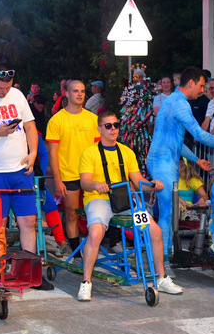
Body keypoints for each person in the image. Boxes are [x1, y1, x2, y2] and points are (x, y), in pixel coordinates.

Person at [0, 63, 54, 290]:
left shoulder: (17, 96)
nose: (5, 92)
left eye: (8, 87)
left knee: (29, 221)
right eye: (1, 88)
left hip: (20, 169)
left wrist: (33, 153)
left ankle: (30, 272)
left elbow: (30, 126)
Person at [77, 111, 181, 301]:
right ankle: (86, 282)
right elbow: (84, 182)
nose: (113, 129)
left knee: (155, 231)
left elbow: (138, 180)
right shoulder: (89, 152)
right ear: (99, 129)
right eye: (108, 126)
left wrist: (152, 184)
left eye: (116, 125)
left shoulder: (127, 152)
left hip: (125, 200)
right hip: (99, 199)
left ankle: (161, 278)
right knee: (96, 233)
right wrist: (96, 185)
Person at [146, 67, 214, 264]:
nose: (203, 90)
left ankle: (167, 254)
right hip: (162, 161)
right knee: (167, 212)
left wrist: (196, 160)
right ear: (191, 83)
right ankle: (162, 260)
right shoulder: (179, 103)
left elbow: (177, 142)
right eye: (202, 86)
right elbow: (198, 134)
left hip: (165, 160)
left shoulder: (173, 101)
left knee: (169, 211)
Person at [46, 79, 99, 255]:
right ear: (67, 94)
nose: (79, 94)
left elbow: (99, 150)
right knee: (71, 214)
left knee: (97, 213)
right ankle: (76, 253)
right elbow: (52, 153)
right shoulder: (57, 120)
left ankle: (96, 247)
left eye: (82, 91)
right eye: (75, 91)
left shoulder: (93, 119)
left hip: (91, 174)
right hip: (68, 175)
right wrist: (58, 180)